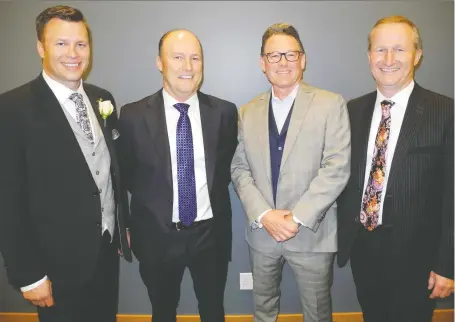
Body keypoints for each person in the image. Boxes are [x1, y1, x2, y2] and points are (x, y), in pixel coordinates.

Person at [0, 5, 132, 322]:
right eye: (61, 43)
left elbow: (111, 171)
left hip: (104, 250)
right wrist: (27, 274)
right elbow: (7, 200)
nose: (73, 53)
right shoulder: (12, 109)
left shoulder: (104, 98)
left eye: (81, 44)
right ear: (41, 47)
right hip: (54, 263)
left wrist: (120, 224)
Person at [337, 15, 454, 322]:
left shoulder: (446, 112)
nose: (388, 59)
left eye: (399, 50)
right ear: (369, 56)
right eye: (380, 50)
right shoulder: (351, 111)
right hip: (363, 246)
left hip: (418, 256)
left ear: (417, 55)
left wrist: (447, 263)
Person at [231, 22, 350, 322]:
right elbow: (239, 169)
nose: (283, 62)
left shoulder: (330, 104)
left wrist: (295, 219)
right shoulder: (246, 112)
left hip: (312, 233)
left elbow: (336, 168)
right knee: (263, 311)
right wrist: (264, 216)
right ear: (262, 63)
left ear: (303, 60)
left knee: (317, 314)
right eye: (274, 55)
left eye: (291, 54)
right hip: (262, 235)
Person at [117, 29, 238, 322]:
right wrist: (126, 227)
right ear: (160, 62)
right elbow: (124, 176)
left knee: (213, 309)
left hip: (210, 235)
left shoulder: (224, 112)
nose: (188, 67)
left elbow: (226, 170)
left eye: (195, 58)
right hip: (157, 236)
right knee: (162, 310)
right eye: (178, 57)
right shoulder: (132, 115)